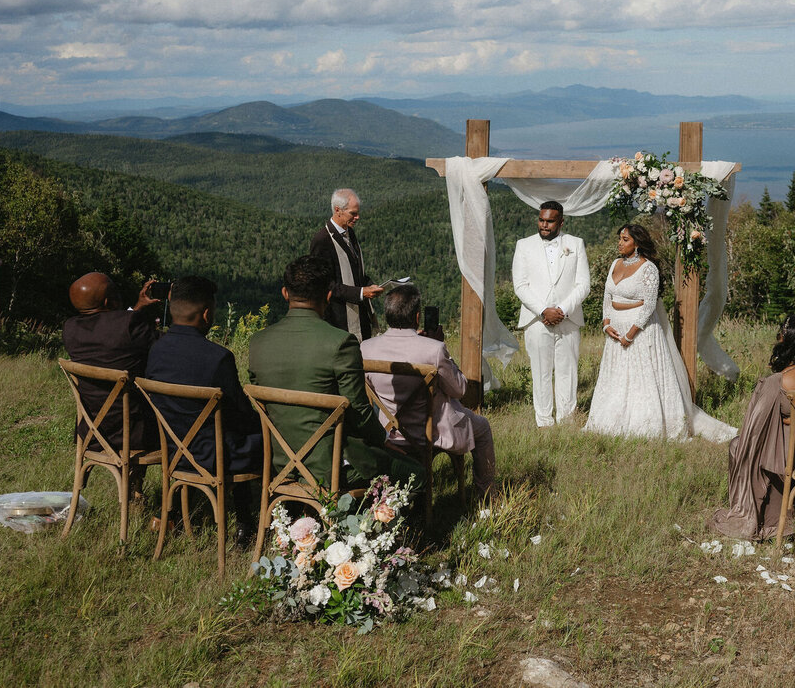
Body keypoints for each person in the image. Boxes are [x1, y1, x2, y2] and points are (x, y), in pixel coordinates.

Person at [247, 255, 420, 490]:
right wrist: (383, 440)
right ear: (329, 296)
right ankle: (383, 524)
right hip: (330, 465)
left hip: (279, 461)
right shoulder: (341, 343)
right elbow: (359, 411)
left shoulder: (258, 342)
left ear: (285, 293)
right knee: (416, 473)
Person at [584, 224, 736, 443]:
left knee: (641, 379)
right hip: (615, 330)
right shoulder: (615, 264)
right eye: (619, 238)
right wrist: (606, 324)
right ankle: (610, 422)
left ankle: (646, 426)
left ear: (637, 243)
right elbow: (607, 297)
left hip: (640, 332)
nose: (619, 242)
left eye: (625, 239)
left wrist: (630, 334)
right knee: (616, 378)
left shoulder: (648, 269)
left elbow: (647, 306)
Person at [708, 315, 795, 540]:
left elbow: (754, 430)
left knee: (741, 446)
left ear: (785, 342)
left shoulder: (780, 380)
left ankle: (771, 519)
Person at [144, 276, 262, 541]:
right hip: (213, 455)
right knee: (258, 438)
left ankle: (174, 512)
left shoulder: (156, 350)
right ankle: (246, 522)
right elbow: (240, 415)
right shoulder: (218, 357)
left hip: (172, 451)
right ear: (207, 314)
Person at [361, 284, 497, 499]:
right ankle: (487, 494)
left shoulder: (365, 348)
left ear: (388, 314)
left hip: (387, 433)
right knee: (483, 427)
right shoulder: (434, 349)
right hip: (429, 433)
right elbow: (459, 389)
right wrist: (442, 348)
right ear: (417, 317)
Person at [62, 272, 161, 498]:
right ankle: (175, 509)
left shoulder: (71, 329)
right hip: (136, 433)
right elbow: (166, 347)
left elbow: (110, 331)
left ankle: (135, 493)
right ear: (108, 301)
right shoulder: (129, 325)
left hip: (93, 433)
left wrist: (136, 309)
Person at [511, 200, 591, 427]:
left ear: (561, 222)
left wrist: (562, 310)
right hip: (536, 320)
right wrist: (544, 310)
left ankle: (567, 420)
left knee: (568, 372)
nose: (544, 225)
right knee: (541, 373)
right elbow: (520, 285)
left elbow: (583, 285)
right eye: (541, 220)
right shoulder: (523, 245)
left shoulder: (576, 244)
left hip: (569, 319)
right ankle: (544, 422)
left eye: (550, 221)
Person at [310, 188, 382, 341]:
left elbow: (355, 271)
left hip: (360, 317)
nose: (357, 217)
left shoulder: (350, 232)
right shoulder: (322, 240)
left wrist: (371, 285)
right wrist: (361, 293)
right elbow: (324, 284)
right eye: (353, 213)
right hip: (338, 322)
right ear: (338, 210)